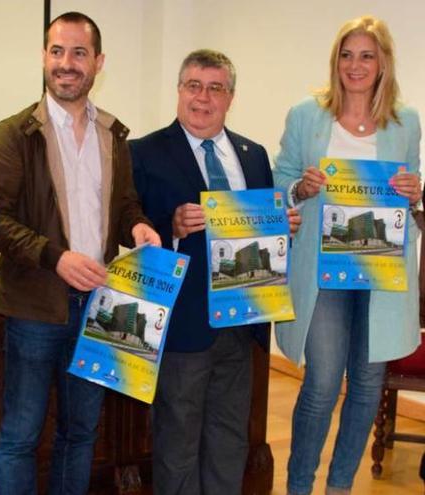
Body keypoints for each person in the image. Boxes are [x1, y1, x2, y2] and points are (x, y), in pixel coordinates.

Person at [0, 12, 159, 494]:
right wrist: (54, 256)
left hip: (100, 307)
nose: (66, 63)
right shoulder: (14, 133)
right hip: (34, 309)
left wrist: (138, 225)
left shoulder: (114, 135)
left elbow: (123, 205)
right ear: (43, 58)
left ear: (98, 62)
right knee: (20, 436)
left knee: (81, 434)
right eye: (57, 51)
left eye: (78, 53)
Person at [130, 49, 299, 495]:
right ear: (180, 91)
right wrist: (170, 226)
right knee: (177, 440)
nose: (203, 98)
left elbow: (261, 233)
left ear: (230, 97)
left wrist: (282, 228)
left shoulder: (254, 155)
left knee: (230, 439)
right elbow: (125, 227)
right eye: (194, 86)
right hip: (183, 324)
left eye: (215, 88)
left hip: (242, 323)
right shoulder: (143, 152)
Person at [273, 16, 421, 495]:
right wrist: (301, 187)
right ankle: (299, 486)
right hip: (322, 273)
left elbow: (410, 196)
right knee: (320, 385)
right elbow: (281, 183)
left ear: (383, 64)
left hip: (381, 274)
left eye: (366, 55)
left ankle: (340, 487)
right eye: (346, 54)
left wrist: (414, 192)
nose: (355, 65)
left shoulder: (406, 122)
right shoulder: (306, 115)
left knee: (365, 386)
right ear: (335, 60)